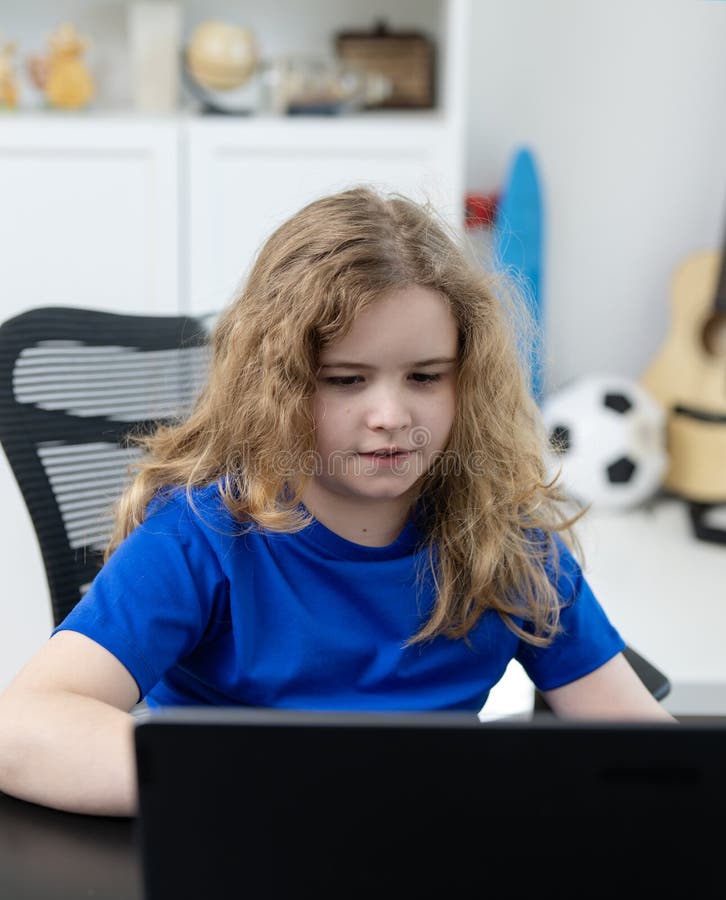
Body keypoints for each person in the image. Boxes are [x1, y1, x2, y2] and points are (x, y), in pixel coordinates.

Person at [0, 186, 674, 818]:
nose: (390, 414)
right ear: (277, 386)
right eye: (346, 380)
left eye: (426, 377)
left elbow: (658, 759)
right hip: (241, 847)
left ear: (466, 380)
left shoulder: (507, 541)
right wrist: (275, 789)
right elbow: (23, 727)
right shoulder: (199, 538)